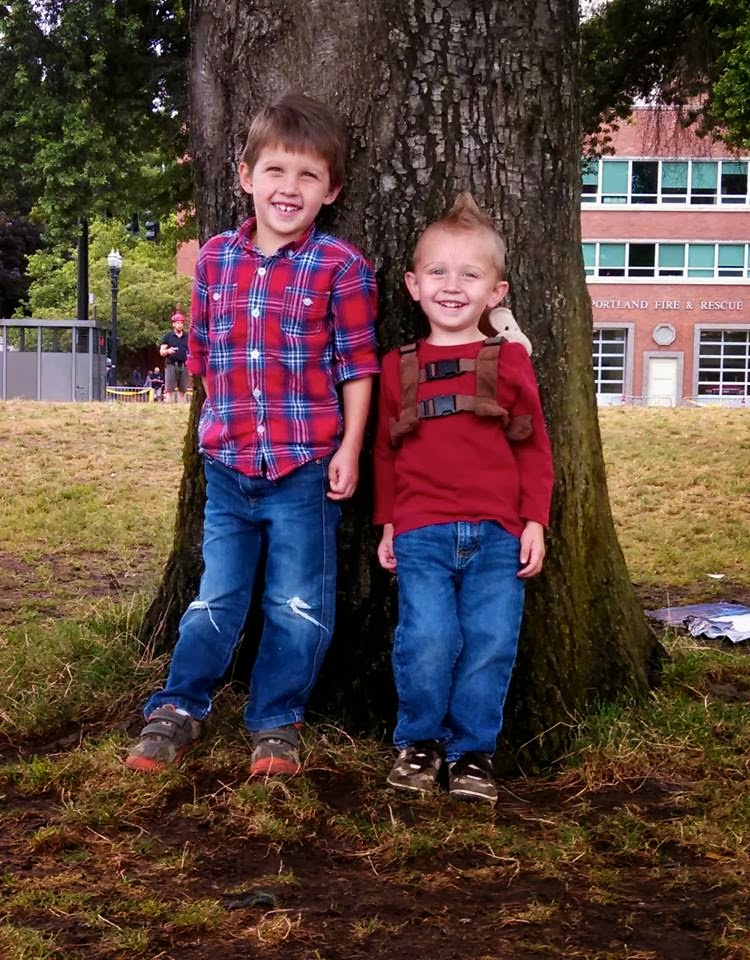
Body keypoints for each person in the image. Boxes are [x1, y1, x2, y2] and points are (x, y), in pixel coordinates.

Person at [126, 93, 379, 776]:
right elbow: (204, 357)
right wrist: (222, 428)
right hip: (228, 470)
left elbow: (358, 366)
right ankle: (178, 706)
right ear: (246, 176)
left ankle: (276, 722)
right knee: (217, 595)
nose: (289, 188)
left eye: (308, 175)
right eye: (275, 171)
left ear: (332, 189)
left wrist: (350, 448)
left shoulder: (341, 266)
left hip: (304, 470)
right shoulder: (214, 260)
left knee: (297, 602)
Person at [373, 194, 553, 803]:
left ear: (495, 293)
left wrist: (534, 521)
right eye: (438, 272)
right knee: (426, 638)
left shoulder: (510, 362)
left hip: (499, 536)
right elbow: (385, 453)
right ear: (413, 285)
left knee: (490, 641)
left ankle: (472, 752)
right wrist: (387, 523)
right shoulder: (398, 366)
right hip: (420, 532)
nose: (452, 287)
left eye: (469, 275)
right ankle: (419, 743)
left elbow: (534, 446)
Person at [160, 309, 189, 402]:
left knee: (183, 389)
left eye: (181, 323)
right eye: (178, 323)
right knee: (169, 389)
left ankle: (181, 407)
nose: (180, 325)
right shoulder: (168, 336)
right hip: (171, 365)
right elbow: (161, 352)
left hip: (184, 365)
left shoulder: (187, 337)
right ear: (173, 324)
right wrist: (168, 351)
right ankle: (169, 406)